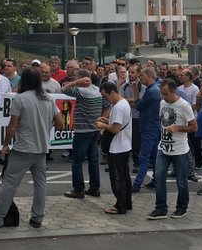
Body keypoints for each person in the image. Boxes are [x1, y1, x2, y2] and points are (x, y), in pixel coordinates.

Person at [0, 68, 62, 228]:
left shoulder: (20, 99)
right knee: (40, 184)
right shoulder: (48, 99)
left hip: (23, 148)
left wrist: (5, 144)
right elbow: (59, 123)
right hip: (42, 148)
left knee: (9, 183)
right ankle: (37, 217)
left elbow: (12, 126)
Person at [147, 79, 197, 219]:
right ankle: (160, 208)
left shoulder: (184, 105)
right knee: (159, 177)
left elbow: (194, 127)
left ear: (174, 91)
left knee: (181, 181)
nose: (163, 97)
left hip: (180, 149)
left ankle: (182, 207)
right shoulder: (162, 103)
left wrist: (178, 128)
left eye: (165, 94)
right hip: (163, 147)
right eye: (162, 93)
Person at [63, 69, 104, 199]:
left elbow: (63, 90)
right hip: (94, 130)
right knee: (93, 161)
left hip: (82, 131)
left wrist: (76, 82)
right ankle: (94, 188)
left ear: (81, 78)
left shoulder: (81, 92)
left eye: (76, 77)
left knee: (77, 162)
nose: (73, 79)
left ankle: (78, 190)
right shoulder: (96, 90)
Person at [96, 81, 133, 215]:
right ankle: (127, 203)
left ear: (112, 92)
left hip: (117, 147)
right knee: (125, 177)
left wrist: (103, 125)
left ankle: (120, 206)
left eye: (106, 96)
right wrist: (108, 121)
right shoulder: (124, 103)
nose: (106, 100)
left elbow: (115, 129)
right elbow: (119, 123)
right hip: (124, 145)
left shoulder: (118, 107)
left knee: (117, 178)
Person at [133, 66, 161, 193]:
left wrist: (135, 94)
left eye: (142, 76)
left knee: (144, 157)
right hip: (153, 127)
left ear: (150, 76)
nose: (140, 78)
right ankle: (156, 180)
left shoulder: (151, 91)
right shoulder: (153, 89)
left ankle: (137, 184)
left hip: (148, 127)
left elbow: (138, 106)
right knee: (154, 157)